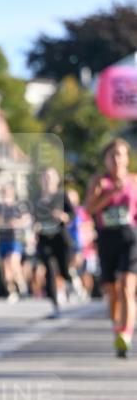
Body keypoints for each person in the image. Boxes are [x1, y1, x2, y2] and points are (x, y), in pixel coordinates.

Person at [85, 138, 137, 357]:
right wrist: (110, 193)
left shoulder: (134, 181)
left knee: (127, 287)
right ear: (106, 159)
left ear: (127, 158)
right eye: (112, 155)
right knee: (112, 291)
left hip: (130, 237)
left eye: (120, 155)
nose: (116, 159)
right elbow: (89, 209)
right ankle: (118, 328)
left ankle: (126, 334)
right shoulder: (99, 181)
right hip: (107, 239)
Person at [33, 167, 74, 319]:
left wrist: (63, 216)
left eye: (50, 177)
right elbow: (33, 216)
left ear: (57, 180)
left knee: (63, 270)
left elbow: (72, 214)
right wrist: (34, 225)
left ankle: (70, 282)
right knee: (49, 270)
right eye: (44, 177)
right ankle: (55, 306)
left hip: (60, 239)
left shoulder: (61, 195)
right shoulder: (37, 198)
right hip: (44, 239)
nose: (47, 180)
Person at [0, 182, 30, 302]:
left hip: (15, 239)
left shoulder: (19, 206)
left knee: (12, 263)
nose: (5, 194)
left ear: (12, 193)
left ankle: (21, 284)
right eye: (4, 192)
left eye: (8, 191)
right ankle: (11, 291)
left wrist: (17, 223)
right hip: (2, 239)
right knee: (5, 267)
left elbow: (27, 219)